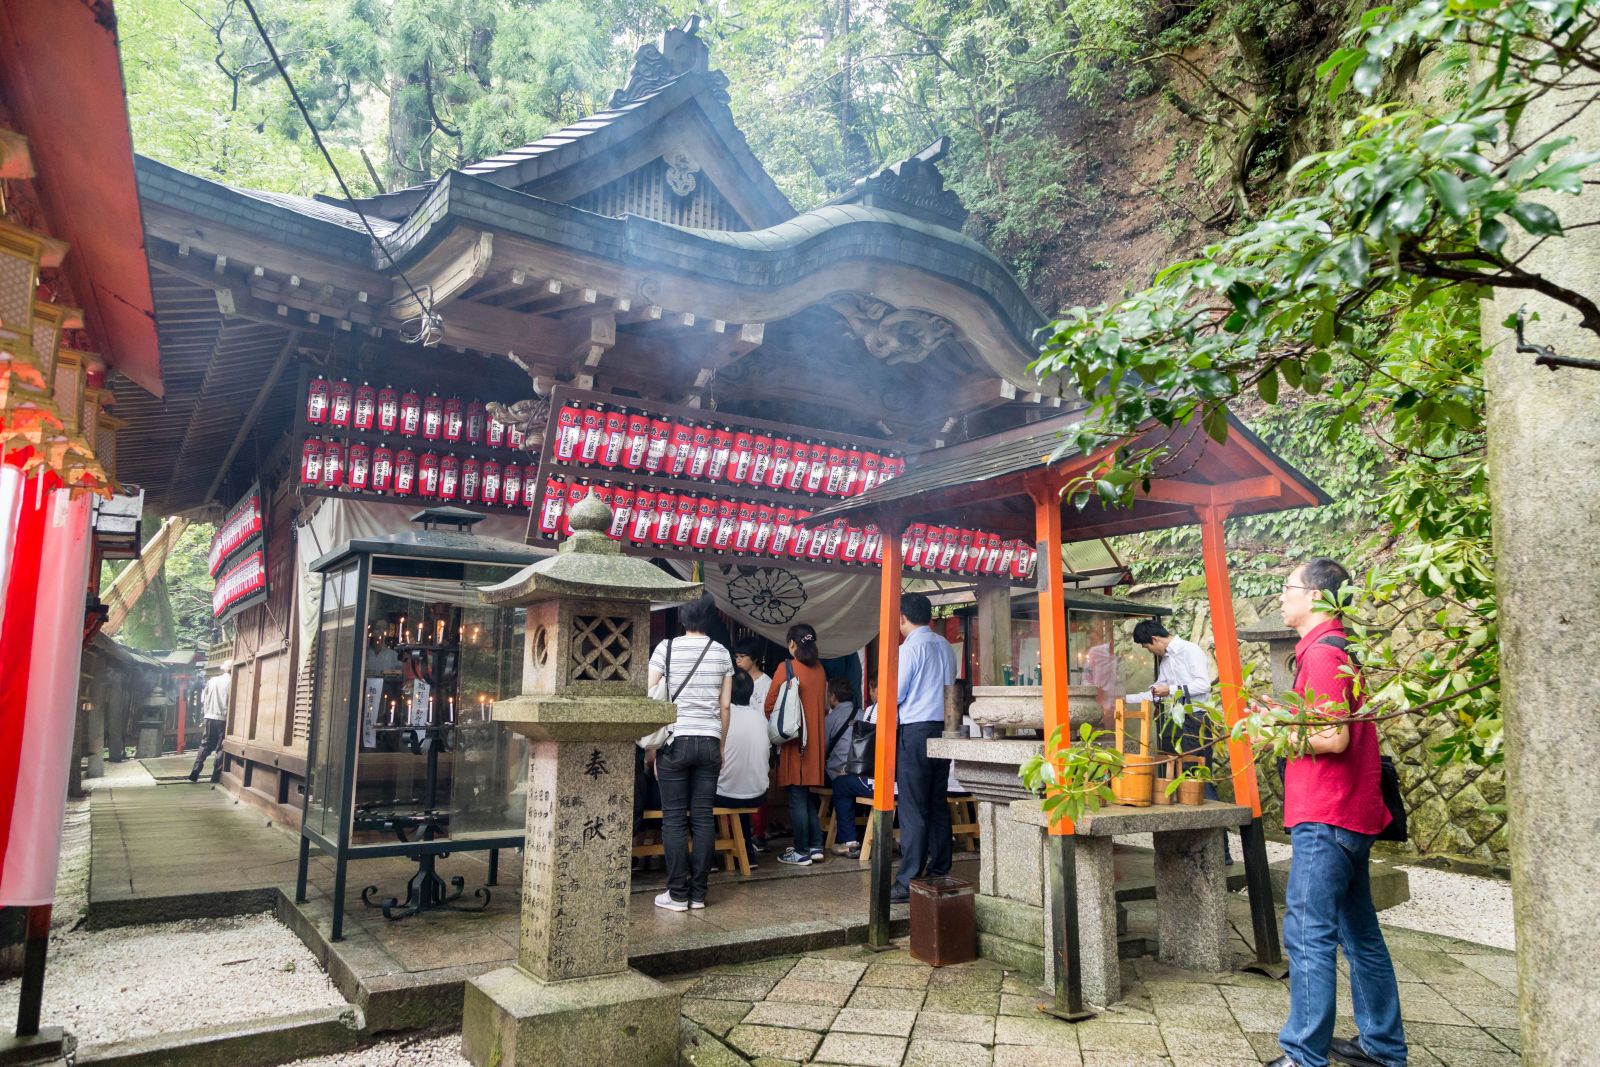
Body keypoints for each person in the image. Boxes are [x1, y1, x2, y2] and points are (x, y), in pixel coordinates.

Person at [1269, 558, 1406, 1067]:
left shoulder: (1324, 655)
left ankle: (1304, 1055)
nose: (1282, 597)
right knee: (1360, 935)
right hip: (1351, 813)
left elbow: (1331, 736)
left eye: (1289, 588)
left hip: (1327, 814)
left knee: (1308, 933)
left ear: (1318, 598)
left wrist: (1273, 731)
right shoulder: (1337, 649)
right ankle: (1383, 1048)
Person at [647, 594, 733, 912]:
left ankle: (677, 894)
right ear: (710, 619)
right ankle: (698, 894)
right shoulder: (722, 653)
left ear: (682, 617)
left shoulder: (665, 649)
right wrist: (721, 746)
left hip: (675, 739)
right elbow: (725, 706)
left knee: (673, 819)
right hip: (709, 741)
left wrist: (654, 747)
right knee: (702, 818)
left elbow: (649, 693)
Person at [891, 592, 957, 903]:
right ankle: (940, 867)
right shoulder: (944, 646)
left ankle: (908, 879)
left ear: (902, 616)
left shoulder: (909, 649)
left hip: (916, 730)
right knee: (937, 801)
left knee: (913, 805)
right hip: (943, 728)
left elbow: (897, 693)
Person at [764, 622, 828, 866]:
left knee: (797, 796)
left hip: (795, 741)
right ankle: (815, 845)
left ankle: (801, 850)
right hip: (816, 742)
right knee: (806, 794)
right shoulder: (820, 669)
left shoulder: (786, 667)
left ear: (792, 644)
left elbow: (769, 705)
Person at [714, 670, 769, 869]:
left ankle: (709, 858)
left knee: (700, 796)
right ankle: (748, 854)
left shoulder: (719, 718)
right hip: (757, 794)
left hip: (726, 795)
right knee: (740, 790)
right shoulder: (761, 720)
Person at [732, 638, 773, 852]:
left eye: (742, 657)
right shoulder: (735, 679)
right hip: (738, 740)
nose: (737, 660)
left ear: (754, 659)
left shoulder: (766, 683)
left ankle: (759, 834)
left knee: (757, 781)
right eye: (736, 656)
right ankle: (739, 834)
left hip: (758, 740)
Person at [829, 677, 878, 856]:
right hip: (904, 781)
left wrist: (850, 768)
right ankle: (899, 839)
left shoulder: (872, 711)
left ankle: (848, 841)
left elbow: (865, 748)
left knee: (841, 785)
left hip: (876, 781)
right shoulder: (905, 709)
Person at [188, 660, 231, 783]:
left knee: (205, 744)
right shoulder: (233, 681)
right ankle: (215, 776)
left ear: (224, 669)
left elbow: (202, 699)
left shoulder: (212, 680)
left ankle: (196, 768)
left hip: (209, 716)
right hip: (223, 718)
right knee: (221, 746)